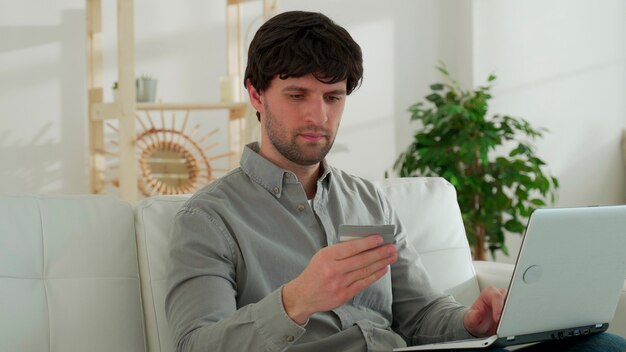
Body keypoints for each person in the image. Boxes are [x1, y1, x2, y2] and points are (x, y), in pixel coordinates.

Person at [165, 11, 626, 352]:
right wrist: (296, 300)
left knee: (601, 346)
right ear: (255, 94)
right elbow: (195, 344)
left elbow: (421, 313)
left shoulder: (369, 200)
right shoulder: (209, 217)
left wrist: (472, 319)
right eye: (297, 95)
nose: (317, 116)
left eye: (333, 97)